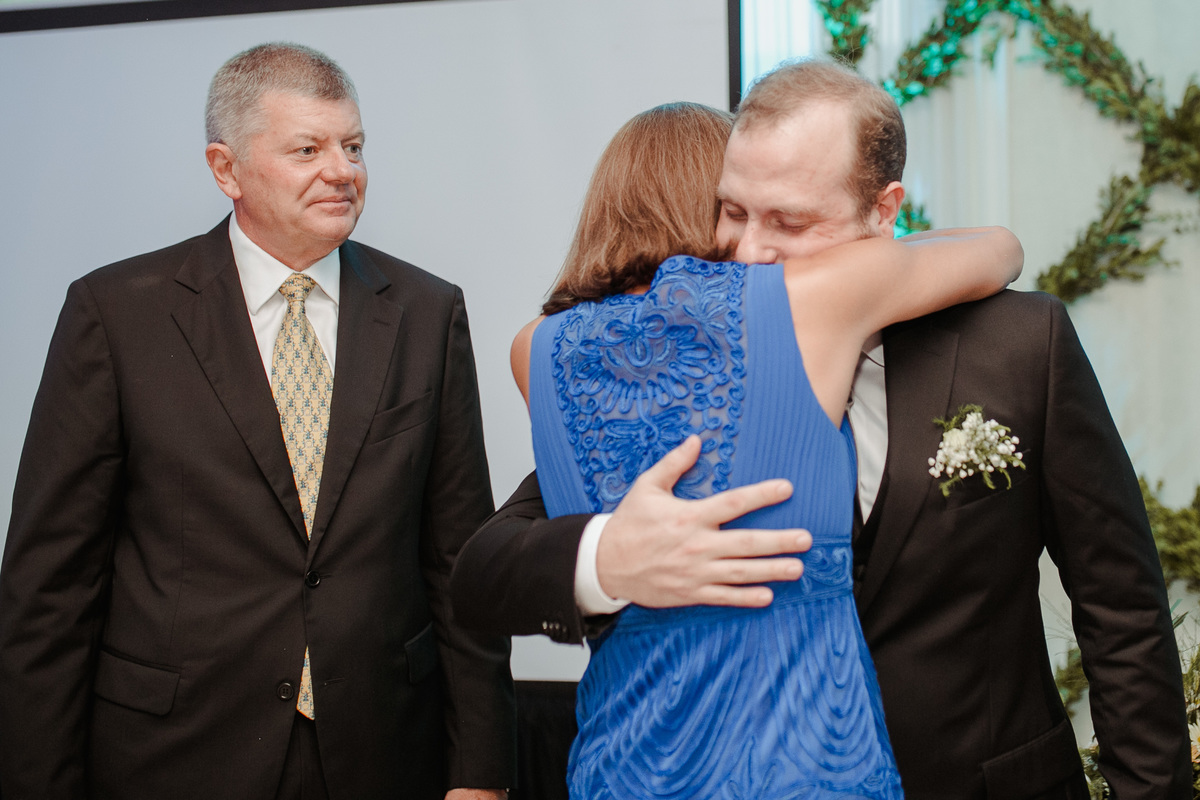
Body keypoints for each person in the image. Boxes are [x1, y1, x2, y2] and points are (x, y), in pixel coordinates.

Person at [452, 60, 1191, 797]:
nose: (750, 251)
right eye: (732, 212)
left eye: (790, 222)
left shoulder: (1019, 343)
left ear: (883, 212)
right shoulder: (678, 392)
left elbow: (1119, 603)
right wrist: (606, 556)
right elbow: (488, 565)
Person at [0, 43, 514, 800]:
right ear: (226, 169)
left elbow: (458, 559)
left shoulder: (426, 312)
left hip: (382, 749)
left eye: (353, 146)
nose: (341, 170)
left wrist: (482, 772)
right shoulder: (116, 315)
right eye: (308, 149)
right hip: (176, 755)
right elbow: (51, 584)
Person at [505, 97, 1018, 796]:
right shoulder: (803, 305)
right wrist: (874, 240)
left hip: (624, 761)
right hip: (803, 760)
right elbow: (998, 248)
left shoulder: (534, 348)